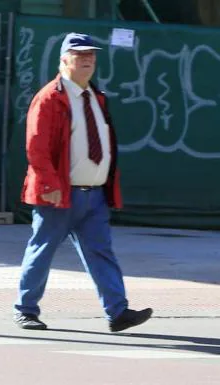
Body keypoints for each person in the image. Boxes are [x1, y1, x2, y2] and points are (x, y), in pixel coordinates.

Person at [13, 32, 152, 332]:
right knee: (42, 251)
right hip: (59, 195)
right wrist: (49, 186)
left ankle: (118, 312)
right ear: (64, 60)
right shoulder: (50, 97)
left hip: (94, 196)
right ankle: (25, 310)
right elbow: (36, 147)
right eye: (80, 55)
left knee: (101, 252)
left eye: (91, 54)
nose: (87, 59)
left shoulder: (95, 96)